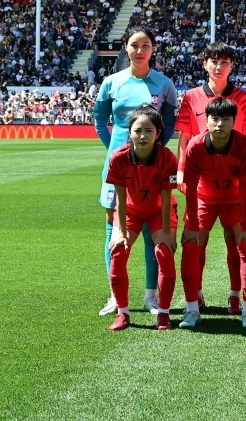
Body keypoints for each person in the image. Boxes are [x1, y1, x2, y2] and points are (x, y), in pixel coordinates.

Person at [94, 25, 177, 317]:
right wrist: (114, 150)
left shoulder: (164, 84)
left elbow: (168, 125)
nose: (140, 51)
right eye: (134, 45)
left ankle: (150, 295)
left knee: (150, 226)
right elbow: (99, 120)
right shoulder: (111, 82)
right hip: (119, 163)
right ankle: (116, 296)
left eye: (145, 45)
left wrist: (154, 152)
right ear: (125, 47)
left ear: (153, 49)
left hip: (152, 165)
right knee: (114, 227)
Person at [175, 42, 246, 315]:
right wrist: (181, 169)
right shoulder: (191, 96)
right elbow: (185, 137)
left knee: (236, 242)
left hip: (235, 184)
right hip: (202, 183)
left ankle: (236, 295)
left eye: (224, 62)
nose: (219, 66)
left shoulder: (244, 98)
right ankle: (196, 294)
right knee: (197, 241)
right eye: (214, 61)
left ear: (231, 66)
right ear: (205, 64)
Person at [105, 105, 179, 331]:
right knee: (118, 252)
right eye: (138, 130)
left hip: (160, 211)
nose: (143, 135)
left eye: (149, 130)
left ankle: (164, 314)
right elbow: (120, 196)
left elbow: (167, 198)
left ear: (158, 133)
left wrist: (167, 232)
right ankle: (123, 312)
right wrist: (120, 230)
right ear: (130, 132)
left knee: (164, 253)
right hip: (131, 211)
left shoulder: (167, 158)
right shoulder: (118, 157)